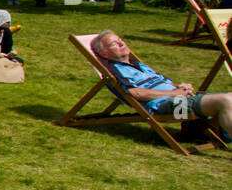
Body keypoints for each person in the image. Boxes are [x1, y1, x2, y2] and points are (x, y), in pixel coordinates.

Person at [91, 30, 232, 136]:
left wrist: (179, 87)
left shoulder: (138, 65)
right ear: (104, 53)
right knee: (224, 101)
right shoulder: (115, 70)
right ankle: (207, 131)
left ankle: (204, 132)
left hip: (179, 100)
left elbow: (161, 83)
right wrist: (174, 93)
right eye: (113, 44)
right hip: (168, 108)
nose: (121, 43)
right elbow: (135, 93)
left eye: (120, 40)